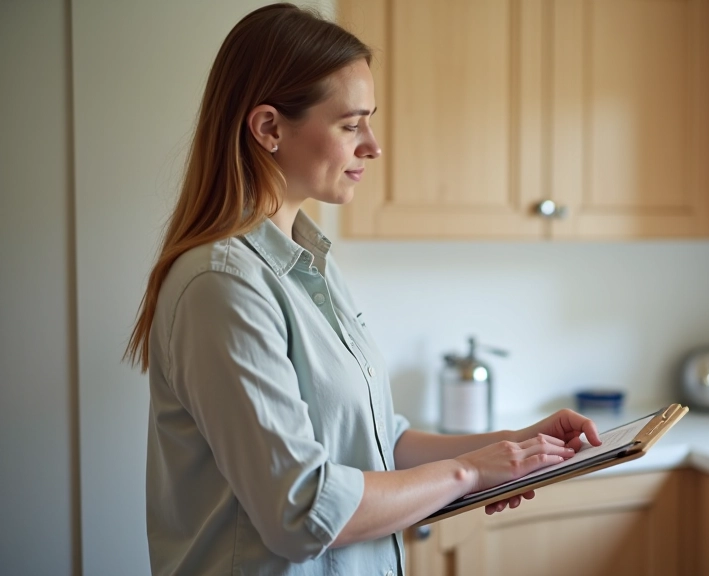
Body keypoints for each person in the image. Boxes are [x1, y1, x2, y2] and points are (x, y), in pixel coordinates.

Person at [124, 4, 602, 575]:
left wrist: (515, 447)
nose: (372, 146)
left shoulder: (310, 265)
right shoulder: (222, 286)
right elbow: (302, 511)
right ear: (269, 128)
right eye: (351, 125)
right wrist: (472, 472)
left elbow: (378, 440)